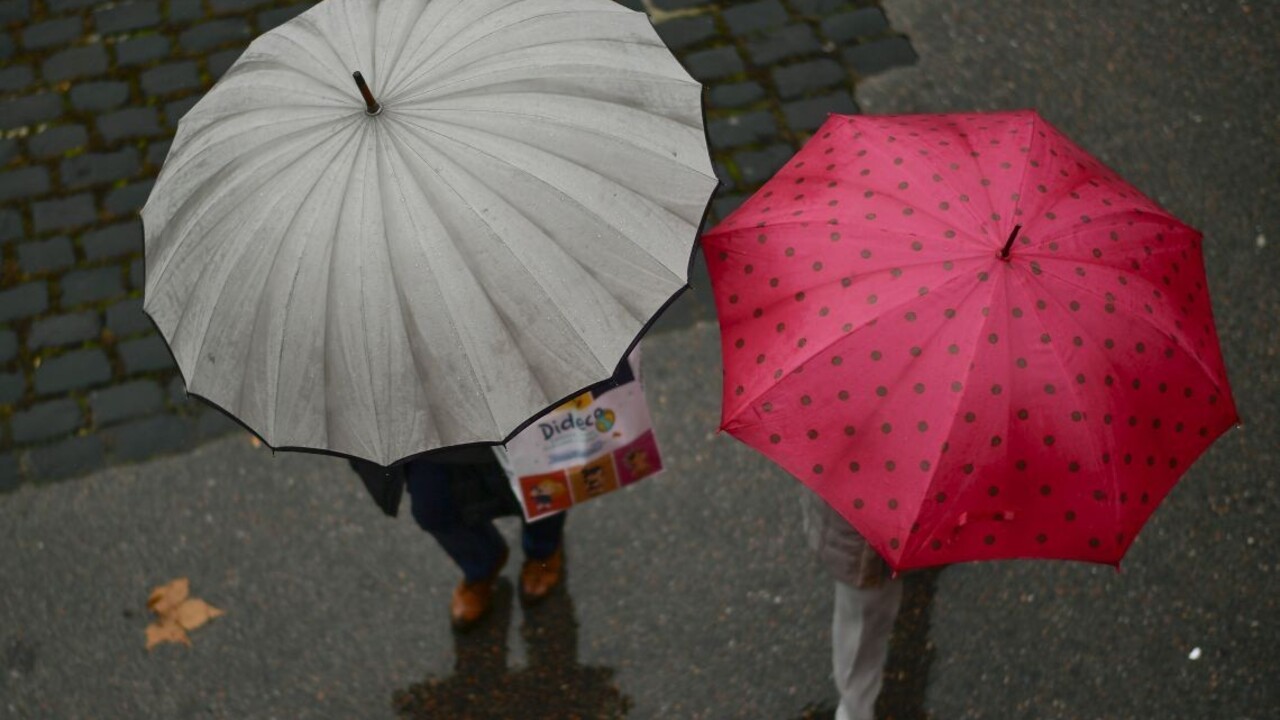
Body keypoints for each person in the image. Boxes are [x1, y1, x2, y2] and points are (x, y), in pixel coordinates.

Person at [350, 446, 568, 629]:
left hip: (520, 423)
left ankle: (543, 552)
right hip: (429, 442)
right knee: (433, 511)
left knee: (545, 491)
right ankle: (484, 564)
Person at [801, 492, 903, 720]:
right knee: (864, 617)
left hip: (878, 513)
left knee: (865, 614)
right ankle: (855, 710)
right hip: (864, 523)